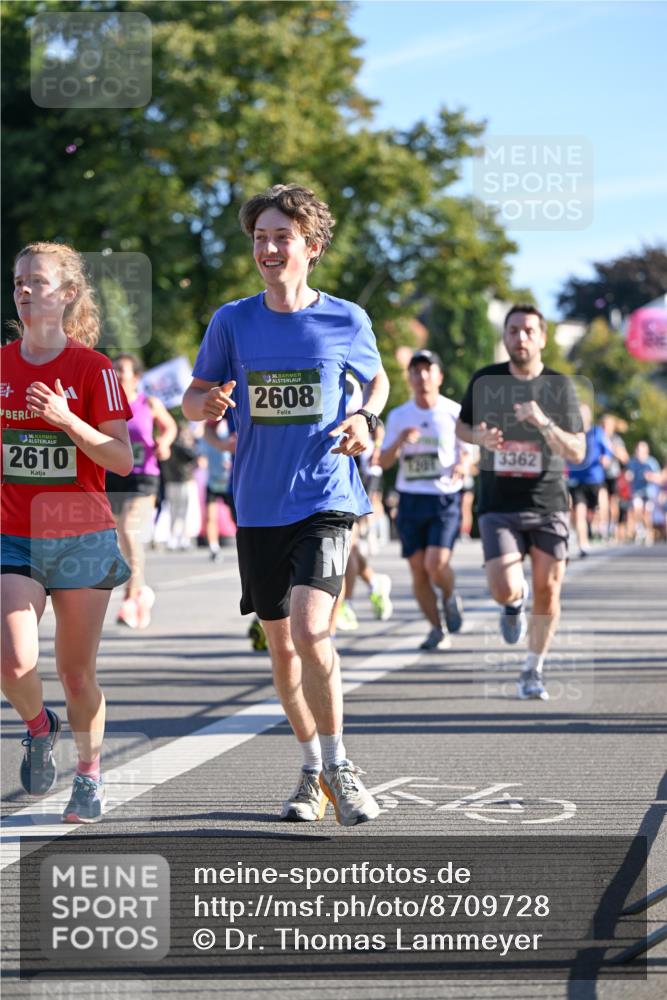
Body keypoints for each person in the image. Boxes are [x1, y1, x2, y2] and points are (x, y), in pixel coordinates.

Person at [183, 183, 390, 826]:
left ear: (312, 248)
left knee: (311, 629)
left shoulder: (346, 319)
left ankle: (340, 764)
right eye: (260, 238)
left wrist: (366, 415)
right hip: (257, 506)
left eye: (282, 237)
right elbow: (192, 397)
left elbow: (378, 378)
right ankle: (310, 770)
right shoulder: (232, 321)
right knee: (280, 650)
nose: (269, 248)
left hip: (326, 496)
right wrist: (206, 404)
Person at [1, 241, 133, 822]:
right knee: (12, 661)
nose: (25, 290)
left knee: (77, 674)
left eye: (38, 280)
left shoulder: (93, 369)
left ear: (69, 293)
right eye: (18, 281)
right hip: (15, 535)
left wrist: (66, 420)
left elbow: (123, 459)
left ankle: (89, 773)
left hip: (81, 537)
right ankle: (37, 726)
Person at [456, 304, 585, 701]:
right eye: (513, 331)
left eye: (529, 330)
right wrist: (480, 439)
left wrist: (543, 422)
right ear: (505, 337)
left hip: (547, 503)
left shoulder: (560, 387)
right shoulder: (485, 380)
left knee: (549, 590)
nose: (521, 338)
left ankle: (533, 668)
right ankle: (513, 604)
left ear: (543, 338)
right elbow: (462, 426)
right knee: (503, 587)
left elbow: (578, 451)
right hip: (499, 506)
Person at [380, 350, 469, 650]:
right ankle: (436, 627)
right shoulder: (399, 416)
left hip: (444, 498)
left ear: (439, 376)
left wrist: (463, 464)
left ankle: (449, 594)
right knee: (418, 569)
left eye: (428, 370)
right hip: (411, 498)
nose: (422, 377)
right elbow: (383, 460)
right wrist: (401, 440)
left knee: (436, 563)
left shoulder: (454, 412)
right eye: (415, 371)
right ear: (410, 378)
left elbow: (471, 450)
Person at [105, 354, 176, 628]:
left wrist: (165, 442)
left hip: (144, 476)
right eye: (113, 371)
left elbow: (169, 426)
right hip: (112, 475)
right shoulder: (105, 404)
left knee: (128, 528)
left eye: (121, 370)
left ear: (136, 376)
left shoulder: (149, 403)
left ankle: (131, 597)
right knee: (117, 537)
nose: (117, 375)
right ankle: (141, 591)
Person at [566, 403, 614, 557]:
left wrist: (606, 458)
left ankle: (603, 529)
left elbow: (607, 451)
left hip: (595, 479)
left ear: (589, 416)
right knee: (579, 512)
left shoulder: (597, 432)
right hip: (577, 479)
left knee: (600, 508)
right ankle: (583, 544)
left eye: (584, 414)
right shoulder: (571, 433)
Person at [626, 440, 662, 545]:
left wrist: (651, 477)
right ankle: (640, 529)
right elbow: (628, 473)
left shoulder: (651, 462)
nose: (640, 454)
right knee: (637, 509)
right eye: (638, 451)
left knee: (647, 513)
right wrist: (629, 476)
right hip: (637, 491)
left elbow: (659, 478)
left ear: (647, 451)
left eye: (642, 451)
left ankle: (648, 532)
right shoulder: (632, 462)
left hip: (649, 492)